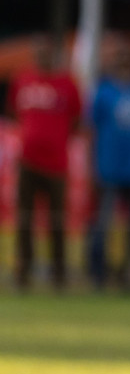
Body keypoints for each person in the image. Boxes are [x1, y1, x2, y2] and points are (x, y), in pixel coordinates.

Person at [7, 36, 80, 289]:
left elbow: (76, 119)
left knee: (57, 220)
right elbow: (14, 113)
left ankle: (58, 273)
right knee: (24, 219)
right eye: (38, 52)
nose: (42, 56)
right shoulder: (23, 80)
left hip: (57, 163)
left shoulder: (67, 84)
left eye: (46, 52)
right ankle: (23, 271)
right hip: (27, 160)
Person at [88, 43, 130, 287]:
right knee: (103, 223)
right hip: (108, 166)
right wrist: (91, 166)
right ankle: (98, 273)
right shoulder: (104, 91)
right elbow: (91, 129)